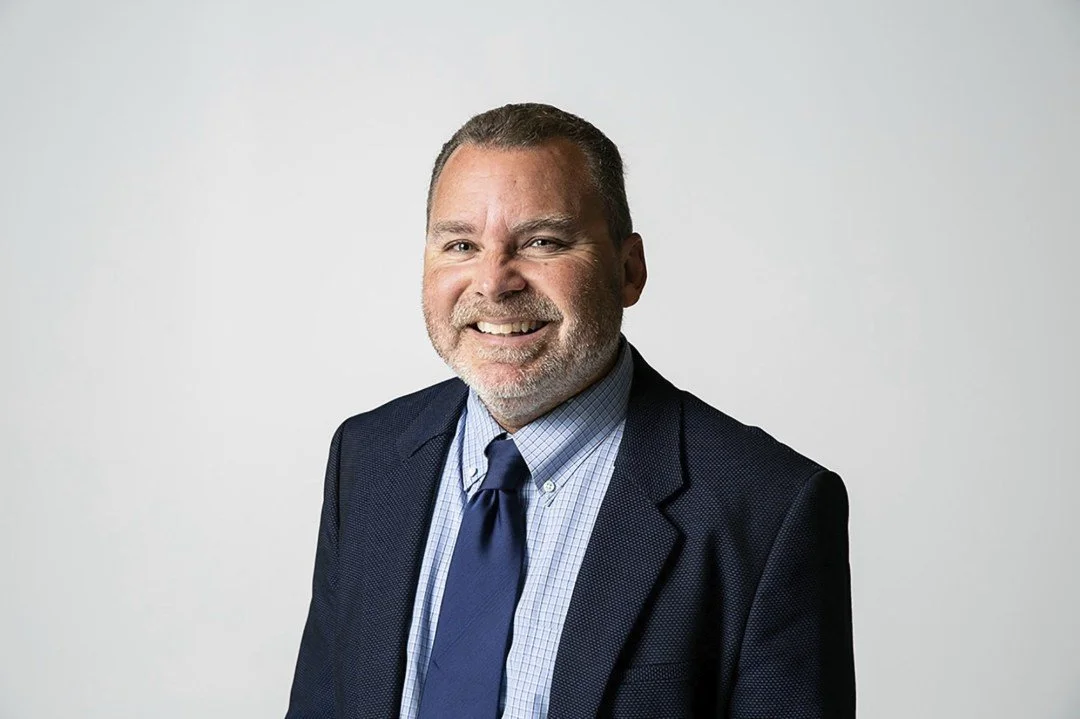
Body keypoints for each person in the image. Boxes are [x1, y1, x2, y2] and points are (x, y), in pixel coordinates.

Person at [285, 103, 855, 718]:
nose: (495, 282)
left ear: (628, 270)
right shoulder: (365, 458)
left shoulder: (770, 507)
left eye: (542, 242)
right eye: (461, 244)